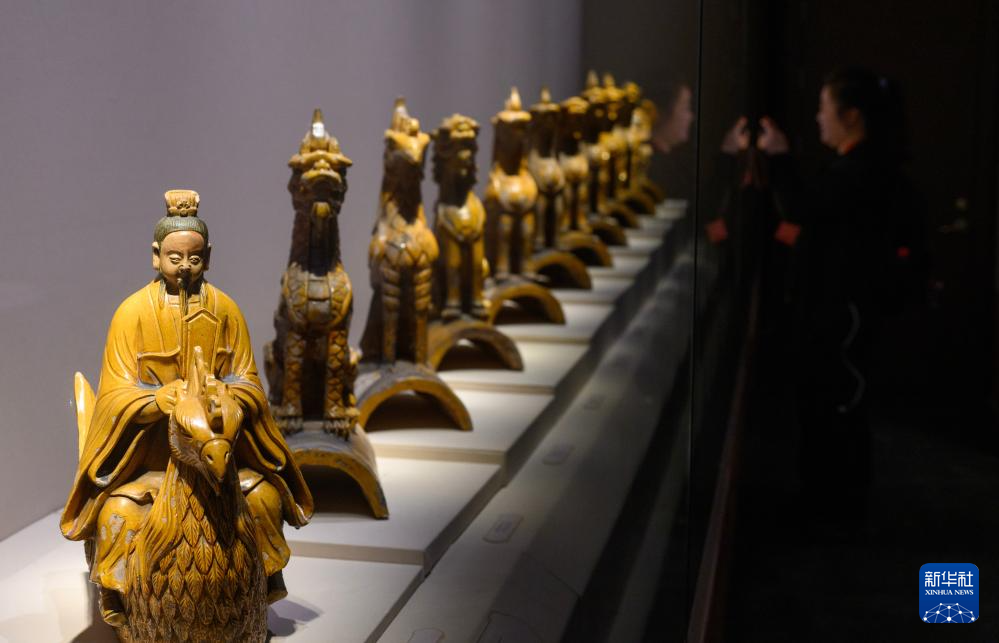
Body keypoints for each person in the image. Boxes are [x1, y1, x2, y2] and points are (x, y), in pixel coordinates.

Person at [60, 190, 313, 624]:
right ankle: (117, 594)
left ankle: (266, 577)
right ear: (155, 256)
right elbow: (114, 394)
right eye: (174, 257)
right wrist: (155, 400)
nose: (184, 267)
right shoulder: (132, 314)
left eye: (194, 259)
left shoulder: (225, 310)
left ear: (208, 258)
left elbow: (250, 382)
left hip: (217, 451)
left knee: (263, 497)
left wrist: (226, 396)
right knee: (118, 513)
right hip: (151, 461)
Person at [753, 68, 923, 520]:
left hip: (842, 315)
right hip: (840, 311)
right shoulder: (865, 168)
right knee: (833, 407)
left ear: (851, 116)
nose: (818, 118)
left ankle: (834, 510)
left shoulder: (859, 173)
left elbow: (803, 212)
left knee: (836, 408)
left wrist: (780, 157)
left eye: (824, 109)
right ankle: (831, 504)